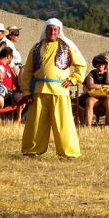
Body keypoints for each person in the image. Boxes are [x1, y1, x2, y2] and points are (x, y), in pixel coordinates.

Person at [18, 18, 87, 158]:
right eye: (50, 29)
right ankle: (32, 151)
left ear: (59, 31)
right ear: (45, 30)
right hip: (39, 90)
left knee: (63, 123)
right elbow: (28, 72)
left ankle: (68, 153)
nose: (52, 32)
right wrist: (26, 91)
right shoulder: (36, 48)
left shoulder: (67, 47)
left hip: (60, 91)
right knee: (36, 123)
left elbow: (81, 65)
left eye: (55, 29)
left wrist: (73, 79)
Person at [83, 55, 109, 128]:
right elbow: (90, 85)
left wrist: (108, 70)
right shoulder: (92, 73)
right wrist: (103, 86)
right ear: (95, 65)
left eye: (102, 64)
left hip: (105, 97)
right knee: (89, 101)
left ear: (105, 65)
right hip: (94, 96)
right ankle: (88, 125)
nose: (100, 65)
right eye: (98, 63)